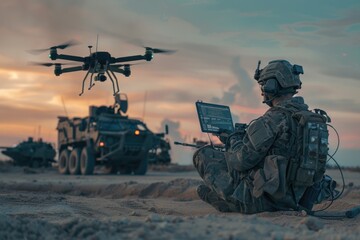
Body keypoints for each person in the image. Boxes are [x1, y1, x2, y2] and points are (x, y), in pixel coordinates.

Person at [193, 59, 330, 214]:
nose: (262, 91)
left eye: (263, 85)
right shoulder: (311, 119)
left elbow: (241, 161)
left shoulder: (274, 118)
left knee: (203, 154)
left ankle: (235, 204)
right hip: (298, 200)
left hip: (263, 202)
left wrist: (233, 139)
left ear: (272, 85)